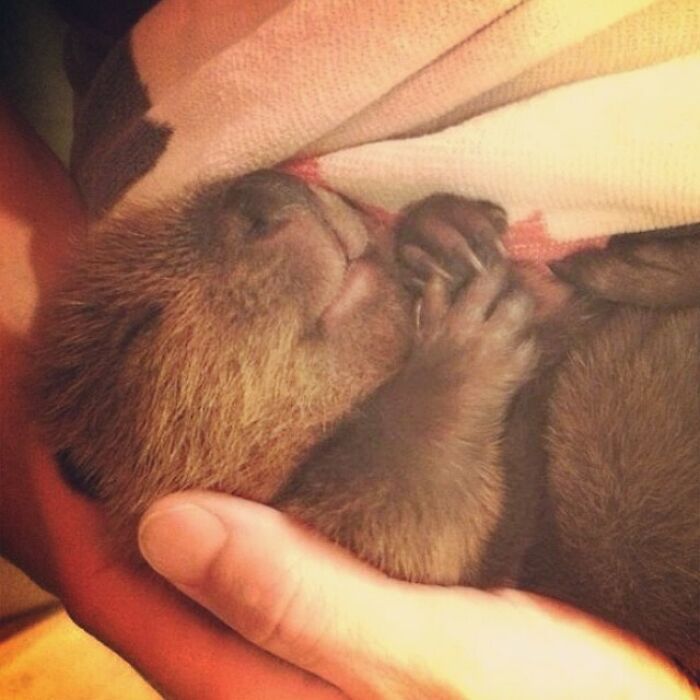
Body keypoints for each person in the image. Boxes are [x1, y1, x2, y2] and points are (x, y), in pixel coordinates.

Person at [0, 102, 695, 699]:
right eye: (139, 333)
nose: (265, 209)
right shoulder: (317, 512)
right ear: (106, 476)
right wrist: (440, 398)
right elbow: (422, 562)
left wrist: (437, 255)